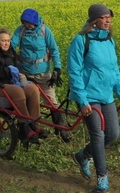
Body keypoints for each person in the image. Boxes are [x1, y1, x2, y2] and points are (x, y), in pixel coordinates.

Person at [68, 3, 120, 193]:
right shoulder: (81, 40)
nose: (108, 20)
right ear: (94, 20)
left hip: (106, 95)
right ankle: (102, 177)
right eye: (104, 17)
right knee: (98, 134)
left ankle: (83, 155)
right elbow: (74, 71)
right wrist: (82, 100)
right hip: (89, 96)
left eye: (109, 17)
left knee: (113, 134)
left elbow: (114, 70)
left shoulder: (109, 41)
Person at [11, 8, 71, 142]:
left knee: (51, 100)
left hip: (43, 73)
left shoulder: (45, 31)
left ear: (35, 22)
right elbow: (11, 46)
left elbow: (54, 50)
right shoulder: (20, 31)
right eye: (25, 23)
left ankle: (60, 129)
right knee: (29, 100)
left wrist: (57, 69)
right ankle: (31, 129)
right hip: (25, 72)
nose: (27, 25)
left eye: (29, 23)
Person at [0, 27, 43, 144]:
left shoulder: (11, 53)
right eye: (3, 41)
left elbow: (17, 68)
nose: (6, 43)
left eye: (8, 41)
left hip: (10, 84)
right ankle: (24, 126)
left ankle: (33, 124)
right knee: (17, 91)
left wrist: (20, 76)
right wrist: (8, 71)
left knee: (33, 89)